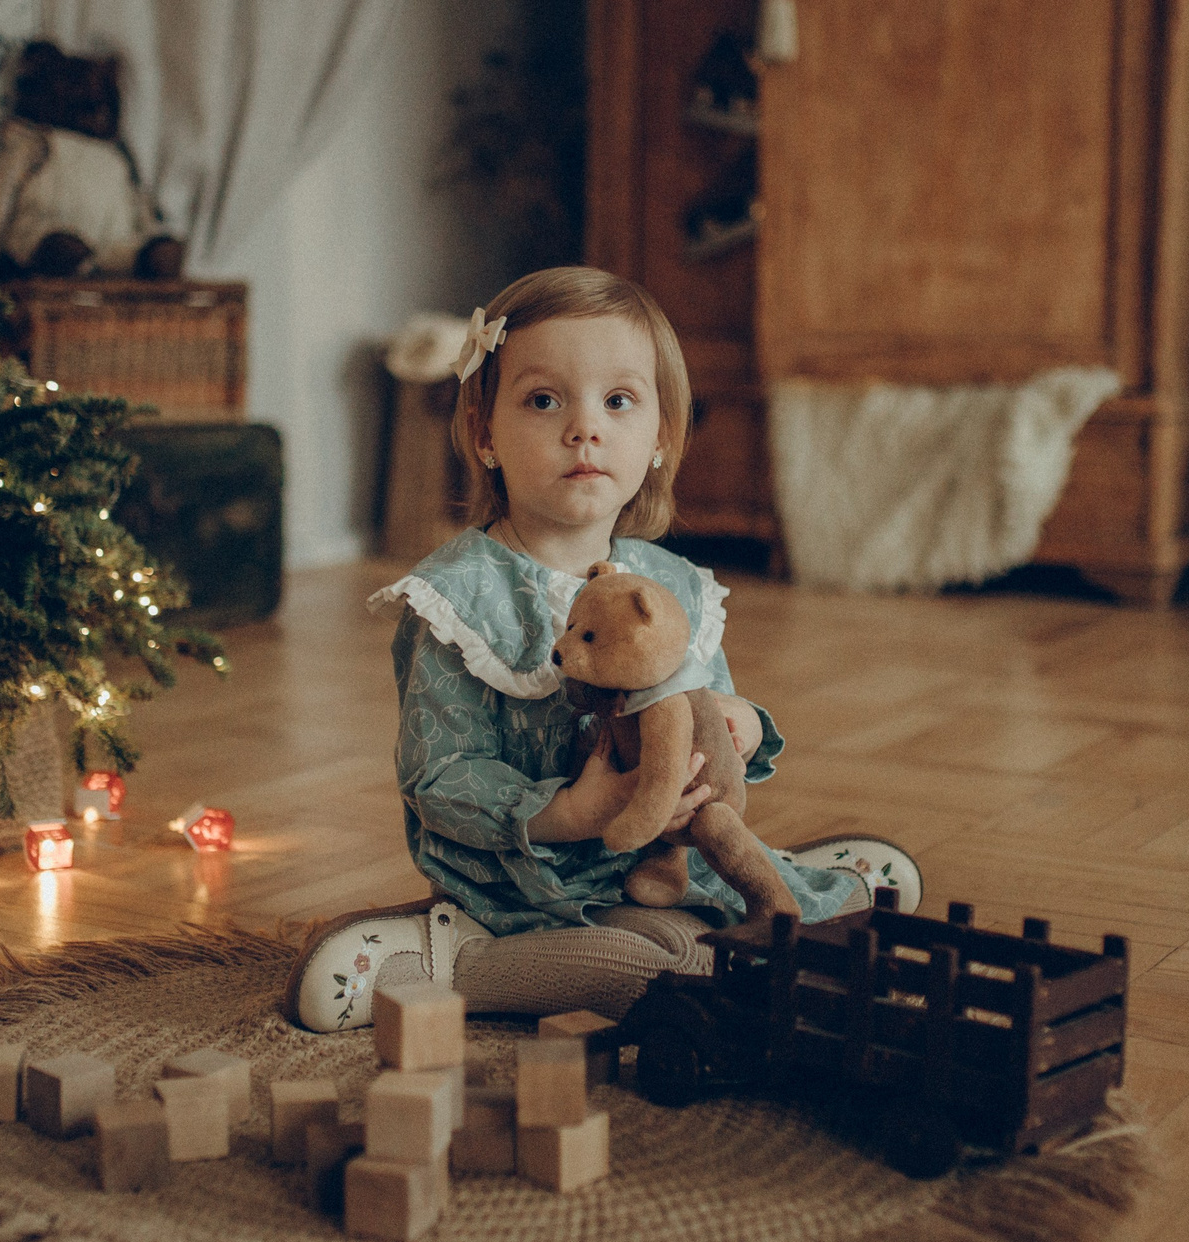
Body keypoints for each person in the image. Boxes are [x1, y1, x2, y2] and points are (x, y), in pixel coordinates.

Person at [285, 266, 919, 1033]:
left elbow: (700, 709)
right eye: (544, 400)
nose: (584, 427)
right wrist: (568, 812)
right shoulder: (458, 597)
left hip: (659, 864)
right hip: (522, 881)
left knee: (705, 941)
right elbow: (438, 776)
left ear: (658, 437)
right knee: (634, 970)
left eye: (618, 401)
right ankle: (448, 958)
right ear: (485, 433)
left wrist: (738, 725)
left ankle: (768, 897)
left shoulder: (670, 584)